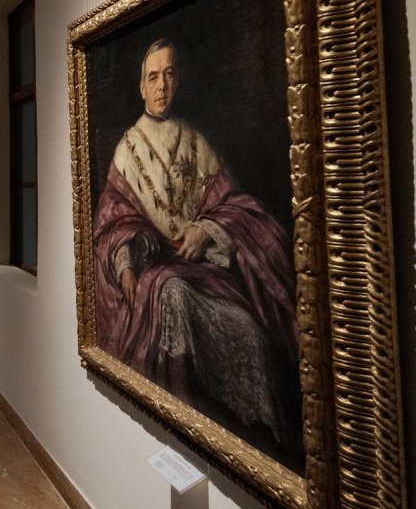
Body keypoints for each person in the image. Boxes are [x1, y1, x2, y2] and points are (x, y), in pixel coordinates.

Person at [92, 39, 300, 464]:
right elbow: (113, 221)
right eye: (153, 77)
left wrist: (207, 230)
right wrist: (126, 261)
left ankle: (256, 442)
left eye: (169, 74)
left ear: (178, 80)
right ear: (141, 87)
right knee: (171, 292)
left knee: (251, 332)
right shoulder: (127, 150)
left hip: (206, 275)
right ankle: (180, 416)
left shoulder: (195, 142)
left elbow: (234, 205)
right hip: (156, 274)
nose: (162, 85)